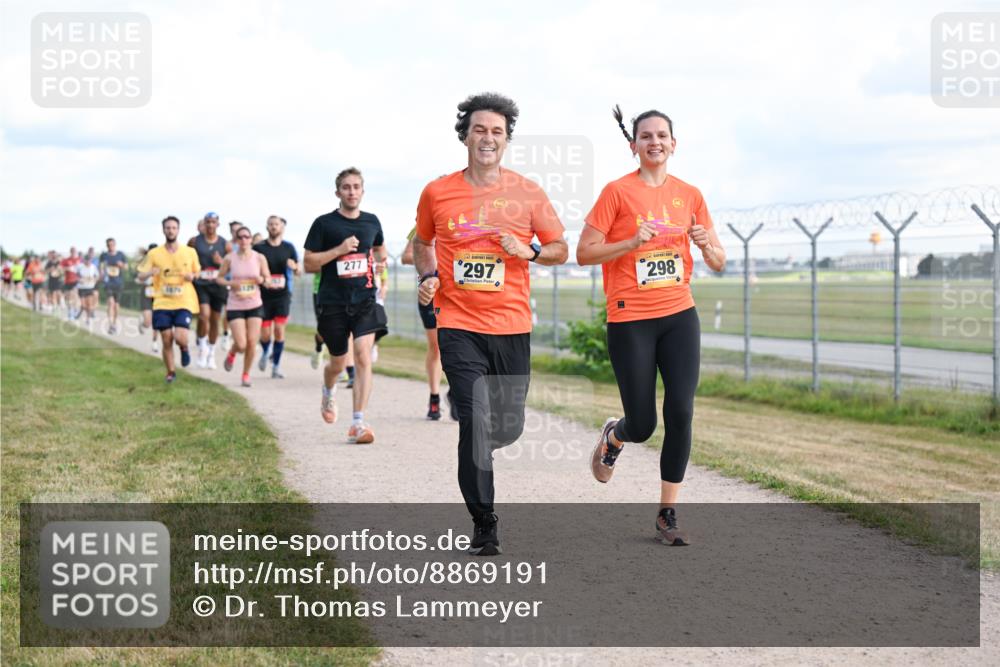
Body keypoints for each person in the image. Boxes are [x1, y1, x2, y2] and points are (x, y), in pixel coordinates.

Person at [413, 93, 568, 556]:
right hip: (458, 322)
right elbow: (422, 243)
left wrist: (530, 251)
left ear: (506, 139)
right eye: (480, 129)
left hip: (512, 325)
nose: (488, 138)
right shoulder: (437, 192)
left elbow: (561, 248)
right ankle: (485, 522)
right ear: (465, 134)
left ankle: (480, 446)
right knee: (476, 423)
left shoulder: (527, 191)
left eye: (497, 131)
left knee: (507, 428)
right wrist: (428, 275)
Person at [576, 105, 726, 546]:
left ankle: (667, 513)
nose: (655, 142)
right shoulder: (616, 193)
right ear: (634, 145)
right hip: (630, 319)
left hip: (679, 314)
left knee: (680, 411)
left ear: (673, 144)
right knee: (642, 425)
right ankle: (614, 436)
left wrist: (707, 245)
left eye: (662, 135)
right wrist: (629, 242)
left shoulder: (690, 195)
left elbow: (718, 261)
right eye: (646, 136)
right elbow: (584, 252)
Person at [304, 166, 388, 444]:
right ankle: (328, 391)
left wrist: (379, 262)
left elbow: (379, 249)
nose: (351, 192)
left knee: (363, 353)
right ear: (337, 192)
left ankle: (358, 423)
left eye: (356, 187)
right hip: (333, 302)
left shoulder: (372, 222)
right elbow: (308, 263)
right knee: (337, 363)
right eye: (346, 187)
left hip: (364, 300)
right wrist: (339, 250)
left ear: (362, 191)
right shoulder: (324, 224)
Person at [136, 216, 200, 383]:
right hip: (162, 301)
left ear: (178, 230)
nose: (170, 230)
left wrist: (191, 276)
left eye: (173, 228)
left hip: (183, 300)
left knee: (180, 337)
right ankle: (171, 372)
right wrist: (151, 272)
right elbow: (141, 275)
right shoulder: (154, 253)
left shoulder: (189, 252)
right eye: (168, 228)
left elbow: (197, 272)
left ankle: (184, 348)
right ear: (163, 230)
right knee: (166, 338)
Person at [402, 225, 445, 420]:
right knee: (436, 347)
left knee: (461, 345)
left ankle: (458, 392)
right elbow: (406, 256)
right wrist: (432, 259)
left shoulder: (462, 221)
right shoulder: (422, 226)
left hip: (458, 294)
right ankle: (434, 398)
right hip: (430, 293)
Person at [217, 226, 269, 387]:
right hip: (235, 304)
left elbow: (267, 278)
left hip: (255, 303)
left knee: (252, 342)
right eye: (240, 237)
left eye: (247, 237)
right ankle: (232, 352)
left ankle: (246, 374)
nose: (244, 240)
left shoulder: (259, 258)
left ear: (251, 239)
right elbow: (219, 279)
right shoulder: (229, 258)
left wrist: (262, 280)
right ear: (236, 240)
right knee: (241, 343)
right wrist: (230, 283)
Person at [254, 215, 300, 379]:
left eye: (277, 224)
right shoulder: (258, 248)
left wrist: (294, 267)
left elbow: (299, 271)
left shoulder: (289, 247)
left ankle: (276, 366)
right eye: (271, 224)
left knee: (280, 331)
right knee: (265, 334)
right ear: (267, 227)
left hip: (282, 295)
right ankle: (266, 352)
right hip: (264, 296)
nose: (274, 227)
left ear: (282, 227)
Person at [189, 212, 231, 369]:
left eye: (213, 222)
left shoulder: (225, 244)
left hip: (218, 286)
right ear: (204, 224)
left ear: (218, 224)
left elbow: (232, 265)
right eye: (208, 222)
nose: (210, 225)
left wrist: (221, 263)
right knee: (204, 315)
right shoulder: (194, 241)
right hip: (201, 284)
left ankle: (211, 352)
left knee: (215, 320)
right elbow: (186, 259)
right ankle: (202, 348)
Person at [136, 243, 161, 352]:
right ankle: (142, 322)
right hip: (146, 291)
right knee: (147, 323)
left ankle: (155, 342)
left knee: (157, 320)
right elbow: (139, 277)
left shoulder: (162, 262)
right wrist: (150, 273)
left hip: (159, 293)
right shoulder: (144, 263)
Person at [99, 238, 127, 334]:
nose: (111, 246)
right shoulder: (104, 256)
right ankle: (110, 325)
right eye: (109, 245)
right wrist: (101, 274)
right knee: (110, 303)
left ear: (115, 245)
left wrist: (121, 265)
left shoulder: (120, 255)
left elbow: (126, 267)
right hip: (108, 283)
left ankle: (114, 323)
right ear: (107, 245)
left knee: (116, 305)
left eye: (112, 244)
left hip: (118, 283)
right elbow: (101, 267)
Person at [76, 253, 100, 328]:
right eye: (87, 260)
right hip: (82, 288)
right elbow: (76, 275)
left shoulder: (93, 267)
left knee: (89, 305)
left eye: (89, 260)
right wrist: (79, 280)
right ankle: (80, 312)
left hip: (90, 287)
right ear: (84, 260)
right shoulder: (80, 267)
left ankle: (88, 318)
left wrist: (94, 280)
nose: (88, 262)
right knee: (83, 305)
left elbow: (97, 276)